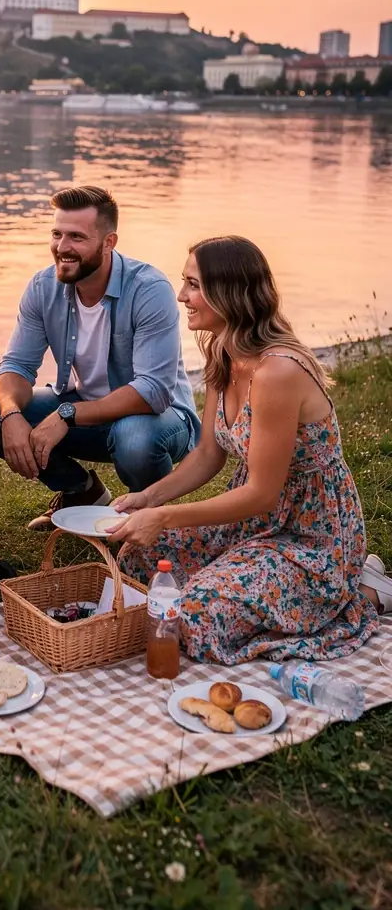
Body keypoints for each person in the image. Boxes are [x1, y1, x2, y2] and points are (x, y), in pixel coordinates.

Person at [103, 235, 382, 663]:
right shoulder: (223, 354)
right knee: (137, 560)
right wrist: (146, 499)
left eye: (193, 285)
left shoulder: (277, 372)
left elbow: (261, 494)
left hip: (308, 536)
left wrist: (162, 517)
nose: (182, 296)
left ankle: (362, 590)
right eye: (185, 283)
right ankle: (258, 577)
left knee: (190, 613)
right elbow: (208, 455)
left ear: (228, 293)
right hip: (251, 525)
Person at [0, 186, 200, 530]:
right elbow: (17, 366)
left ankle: (145, 514)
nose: (62, 247)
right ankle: (81, 492)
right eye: (57, 234)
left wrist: (67, 414)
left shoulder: (149, 289)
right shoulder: (43, 287)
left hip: (158, 419)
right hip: (87, 412)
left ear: (109, 242)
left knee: (135, 438)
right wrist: (11, 415)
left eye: (76, 237)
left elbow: (153, 391)